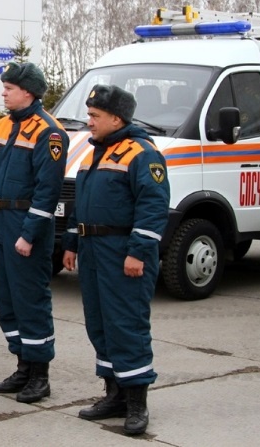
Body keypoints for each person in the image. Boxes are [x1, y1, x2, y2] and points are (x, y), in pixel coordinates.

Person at [61, 84, 169, 435]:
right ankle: (114, 394)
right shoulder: (96, 152)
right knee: (100, 323)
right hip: (93, 250)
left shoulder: (142, 153)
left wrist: (138, 252)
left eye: (95, 116)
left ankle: (137, 402)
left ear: (117, 118)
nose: (89, 122)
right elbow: (82, 202)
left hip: (122, 252)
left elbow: (153, 207)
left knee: (126, 324)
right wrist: (72, 243)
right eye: (89, 115)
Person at [0, 62, 69, 403]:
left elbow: (47, 192)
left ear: (27, 92)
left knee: (30, 299)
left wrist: (28, 234)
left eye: (9, 88)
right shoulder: (0, 127)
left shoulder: (50, 132)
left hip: (24, 225)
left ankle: (39, 374)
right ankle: (22, 366)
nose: (3, 93)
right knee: (6, 300)